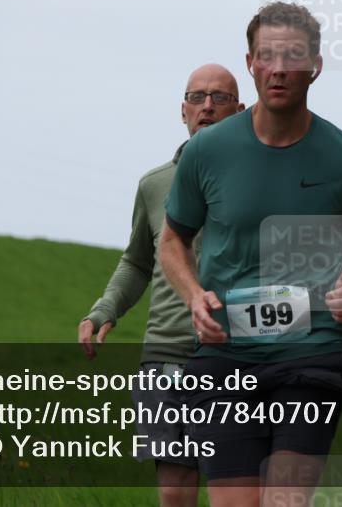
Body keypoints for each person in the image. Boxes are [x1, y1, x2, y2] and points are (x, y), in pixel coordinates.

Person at [159, 2, 342, 507]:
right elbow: (172, 240)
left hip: (313, 352)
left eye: (293, 56)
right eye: (268, 56)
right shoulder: (208, 152)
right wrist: (195, 296)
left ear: (316, 66)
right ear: (250, 63)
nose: (280, 68)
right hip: (226, 356)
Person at [77, 64, 244, 507]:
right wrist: (104, 310)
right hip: (167, 356)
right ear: (183, 111)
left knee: (236, 491)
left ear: (241, 110)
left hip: (241, 356)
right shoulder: (154, 186)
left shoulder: (257, 181)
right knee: (175, 492)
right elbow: (136, 261)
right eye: (196, 97)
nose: (207, 106)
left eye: (220, 98)